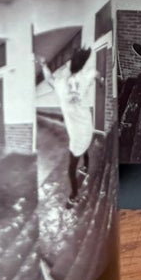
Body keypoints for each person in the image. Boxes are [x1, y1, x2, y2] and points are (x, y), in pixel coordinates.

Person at [38, 45, 97, 208]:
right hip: (87, 127)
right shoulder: (85, 77)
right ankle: (86, 166)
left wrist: (43, 65)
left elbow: (49, 79)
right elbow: (95, 74)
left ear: (71, 65)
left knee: (71, 169)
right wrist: (101, 81)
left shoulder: (62, 84)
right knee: (85, 147)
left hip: (77, 135)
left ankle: (74, 195)